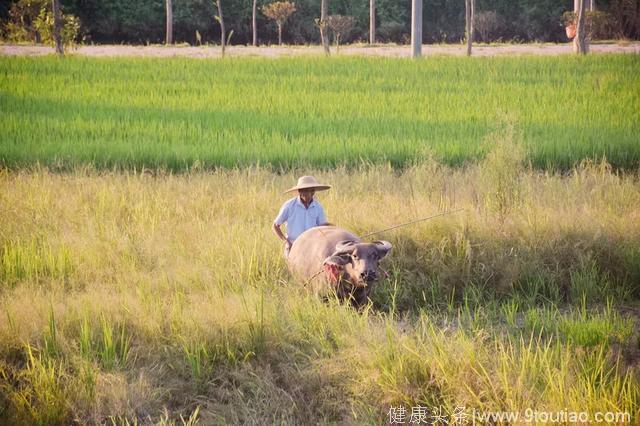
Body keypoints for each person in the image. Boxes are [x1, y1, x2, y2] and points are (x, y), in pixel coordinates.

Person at [272, 175, 331, 257]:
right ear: (299, 191)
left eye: (312, 191)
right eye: (306, 191)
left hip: (312, 249)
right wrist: (286, 241)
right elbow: (275, 226)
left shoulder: (318, 207)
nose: (309, 195)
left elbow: (322, 227)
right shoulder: (289, 206)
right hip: (293, 247)